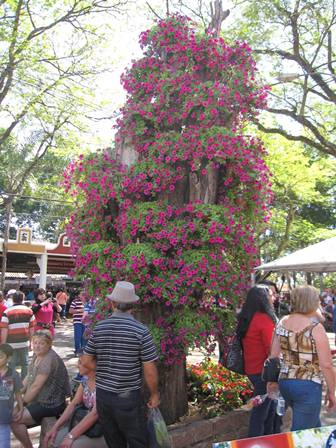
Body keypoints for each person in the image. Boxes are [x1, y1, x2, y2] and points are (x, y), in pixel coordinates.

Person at [82, 281, 160, 448]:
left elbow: (86, 361)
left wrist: (103, 368)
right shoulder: (141, 331)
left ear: (113, 303)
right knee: (138, 441)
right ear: (133, 305)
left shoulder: (99, 328)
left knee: (114, 442)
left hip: (103, 396)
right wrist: (154, 394)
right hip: (128, 398)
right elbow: (150, 370)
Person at [267, 285, 336, 431]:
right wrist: (331, 391)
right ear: (311, 302)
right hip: (307, 385)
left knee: (313, 426)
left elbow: (273, 356)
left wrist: (271, 381)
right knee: (301, 434)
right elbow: (327, 365)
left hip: (285, 382)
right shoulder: (315, 328)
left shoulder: (282, 322)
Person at [11, 330, 71, 448]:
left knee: (14, 420)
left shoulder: (48, 359)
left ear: (49, 345)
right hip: (40, 399)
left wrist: (21, 404)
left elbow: (35, 386)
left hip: (51, 403)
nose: (37, 346)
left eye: (41, 343)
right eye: (35, 343)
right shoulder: (37, 355)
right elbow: (28, 378)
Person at [236, 285, 278, 437]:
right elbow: (271, 348)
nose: (274, 298)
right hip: (264, 372)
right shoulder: (263, 319)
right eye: (271, 295)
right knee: (261, 413)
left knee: (269, 409)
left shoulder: (246, 318)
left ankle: (268, 440)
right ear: (263, 299)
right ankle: (256, 442)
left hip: (252, 369)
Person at [44, 355, 108, 448]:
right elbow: (73, 404)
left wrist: (71, 436)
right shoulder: (85, 380)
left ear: (94, 365)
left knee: (73, 445)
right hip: (86, 425)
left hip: (102, 431)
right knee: (55, 438)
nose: (78, 365)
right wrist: (55, 427)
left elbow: (95, 414)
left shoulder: (104, 384)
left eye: (81, 363)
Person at [0, 290, 35, 379]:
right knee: (25, 364)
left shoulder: (7, 312)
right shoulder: (29, 311)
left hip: (11, 344)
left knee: (12, 364)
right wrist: (32, 342)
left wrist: (3, 344)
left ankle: (12, 384)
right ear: (23, 299)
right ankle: (24, 383)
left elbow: (4, 330)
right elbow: (32, 329)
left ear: (13, 299)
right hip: (24, 343)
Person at [0, 343, 24, 448]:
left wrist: (21, 408)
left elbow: (18, 393)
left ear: (8, 359)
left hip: (4, 418)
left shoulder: (14, 375)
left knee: (4, 444)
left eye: (0, 357)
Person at [69, 291, 85, 356]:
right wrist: (80, 310)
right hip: (77, 322)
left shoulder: (88, 301)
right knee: (77, 337)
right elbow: (70, 311)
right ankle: (77, 351)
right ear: (79, 295)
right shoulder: (75, 301)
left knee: (84, 337)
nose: (84, 295)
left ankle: (83, 350)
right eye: (82, 294)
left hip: (86, 322)